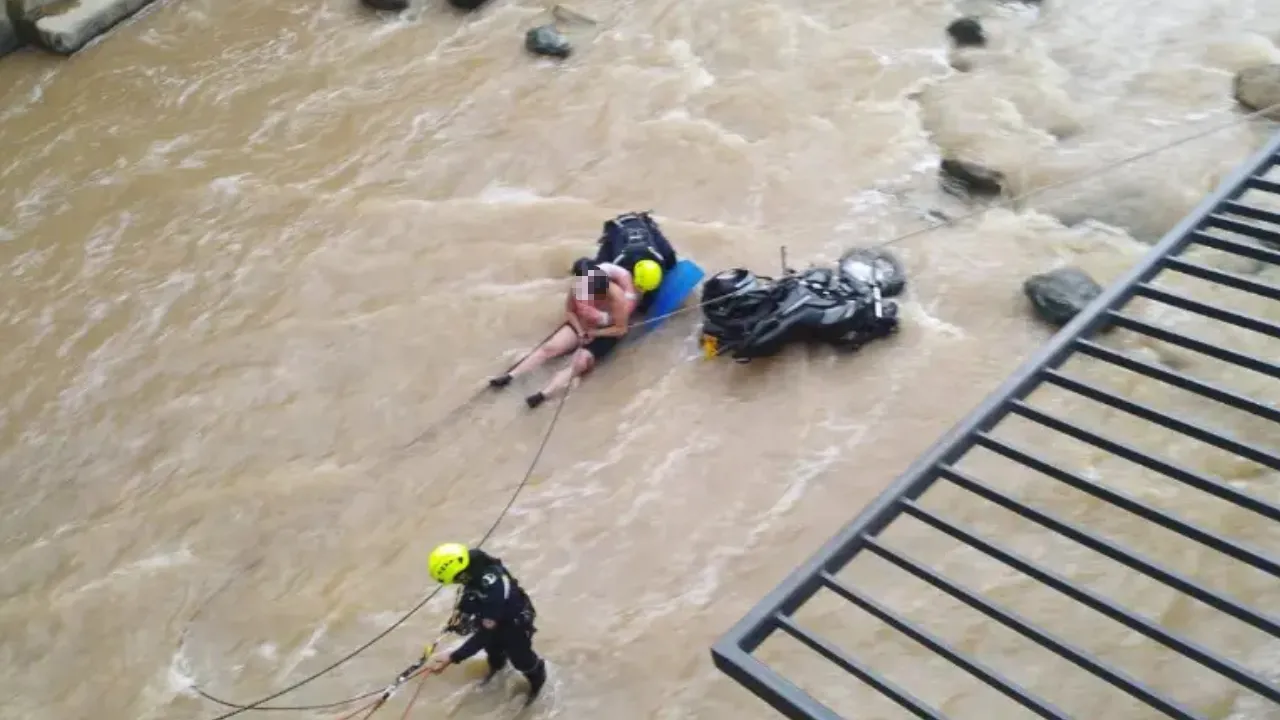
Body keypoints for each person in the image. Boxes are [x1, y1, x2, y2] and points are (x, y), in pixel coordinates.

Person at [487, 258, 638, 408]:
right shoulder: (579, 287)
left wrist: (595, 333)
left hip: (606, 332)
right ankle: (510, 376)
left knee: (580, 362)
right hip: (583, 325)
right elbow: (570, 312)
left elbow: (620, 329)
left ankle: (543, 394)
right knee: (550, 348)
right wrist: (579, 331)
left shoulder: (617, 298)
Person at [423, 543, 547, 704]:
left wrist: (453, 657)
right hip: (491, 615)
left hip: (514, 620)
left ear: (461, 574)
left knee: (521, 659)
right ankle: (497, 667)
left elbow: (484, 634)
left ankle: (537, 678)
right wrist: (462, 613)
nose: (455, 583)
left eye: (454, 580)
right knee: (494, 651)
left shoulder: (494, 589)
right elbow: (469, 591)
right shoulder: (473, 564)